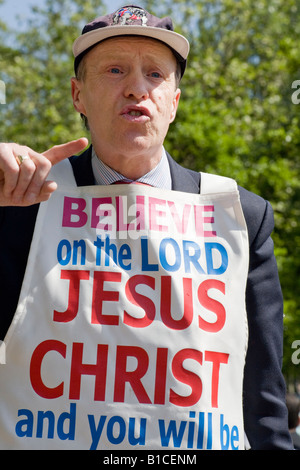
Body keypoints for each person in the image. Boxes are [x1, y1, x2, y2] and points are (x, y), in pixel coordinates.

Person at [0, 5, 293, 450]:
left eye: (155, 74)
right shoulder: (22, 203)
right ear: (78, 96)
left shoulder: (238, 217)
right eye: (115, 70)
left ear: (174, 103)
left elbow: (262, 406)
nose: (137, 88)